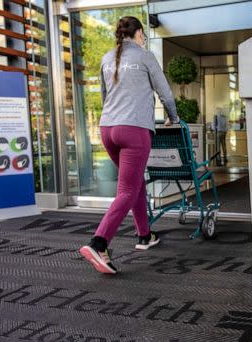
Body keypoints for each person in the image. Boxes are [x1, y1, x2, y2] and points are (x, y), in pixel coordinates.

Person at [79, 16, 179, 275]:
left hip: (108, 129)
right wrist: (174, 117)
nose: (144, 39)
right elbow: (165, 92)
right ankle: (98, 243)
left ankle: (144, 234)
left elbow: (103, 97)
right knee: (126, 190)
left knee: (135, 183)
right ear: (138, 34)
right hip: (134, 130)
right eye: (143, 35)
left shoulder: (106, 58)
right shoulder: (145, 56)